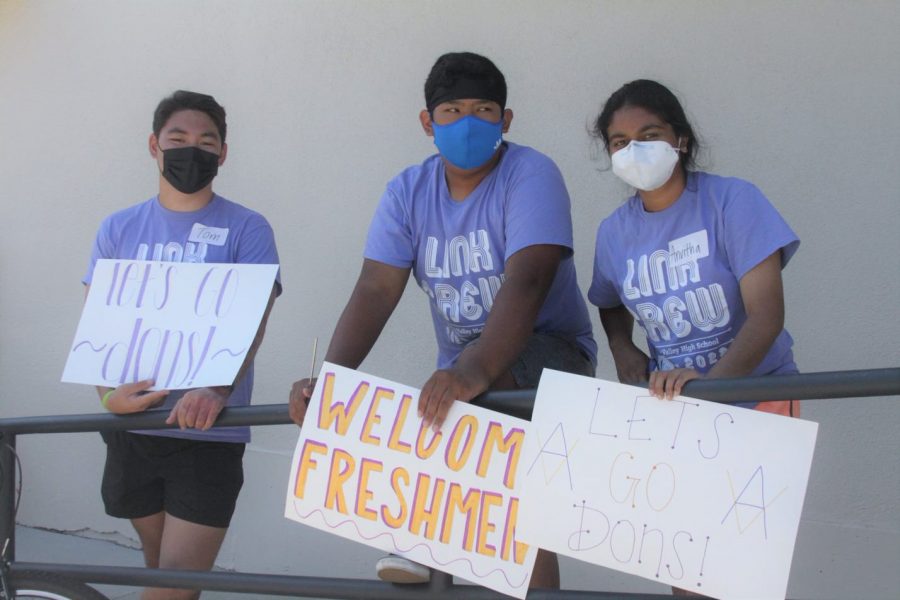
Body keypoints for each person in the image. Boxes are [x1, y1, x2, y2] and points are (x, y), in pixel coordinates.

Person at [289, 52, 596, 589]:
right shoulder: (407, 191)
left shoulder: (531, 173)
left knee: (475, 430)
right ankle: (428, 538)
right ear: (428, 122)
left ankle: (415, 532)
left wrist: (472, 371)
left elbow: (529, 279)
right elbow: (376, 288)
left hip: (551, 355)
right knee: (511, 504)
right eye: (452, 111)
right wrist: (332, 382)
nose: (469, 122)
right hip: (466, 377)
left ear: (507, 120)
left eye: (484, 109)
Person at [588, 80, 799, 594]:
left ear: (679, 139)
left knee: (743, 568)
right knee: (686, 568)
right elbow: (609, 302)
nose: (633, 149)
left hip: (757, 400)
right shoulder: (614, 232)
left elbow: (766, 316)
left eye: (649, 133)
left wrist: (712, 388)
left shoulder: (732, 202)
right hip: (675, 412)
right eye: (619, 142)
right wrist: (623, 349)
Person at [83, 90, 280, 600]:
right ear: (154, 145)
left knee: (174, 585)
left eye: (206, 141)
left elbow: (252, 323)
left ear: (223, 153)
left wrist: (215, 390)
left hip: (207, 434)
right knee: (161, 573)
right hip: (134, 429)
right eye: (178, 139)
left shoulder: (248, 228)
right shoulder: (117, 227)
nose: (192, 150)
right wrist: (108, 396)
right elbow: (99, 327)